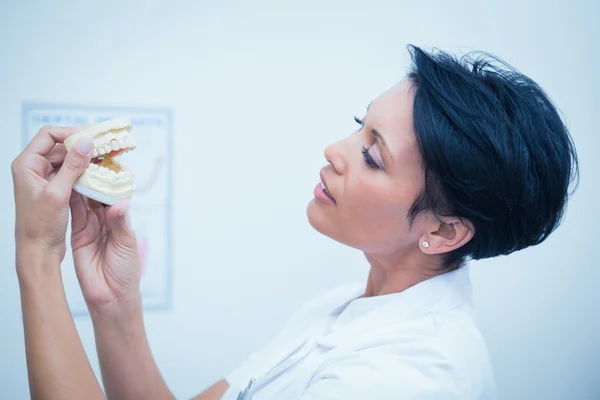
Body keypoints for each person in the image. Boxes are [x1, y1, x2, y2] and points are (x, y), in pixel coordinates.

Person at [11, 45, 578, 400]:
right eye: (359, 127)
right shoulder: (346, 307)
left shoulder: (406, 381)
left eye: (373, 155)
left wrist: (38, 255)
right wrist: (115, 304)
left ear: (446, 232)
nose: (335, 149)